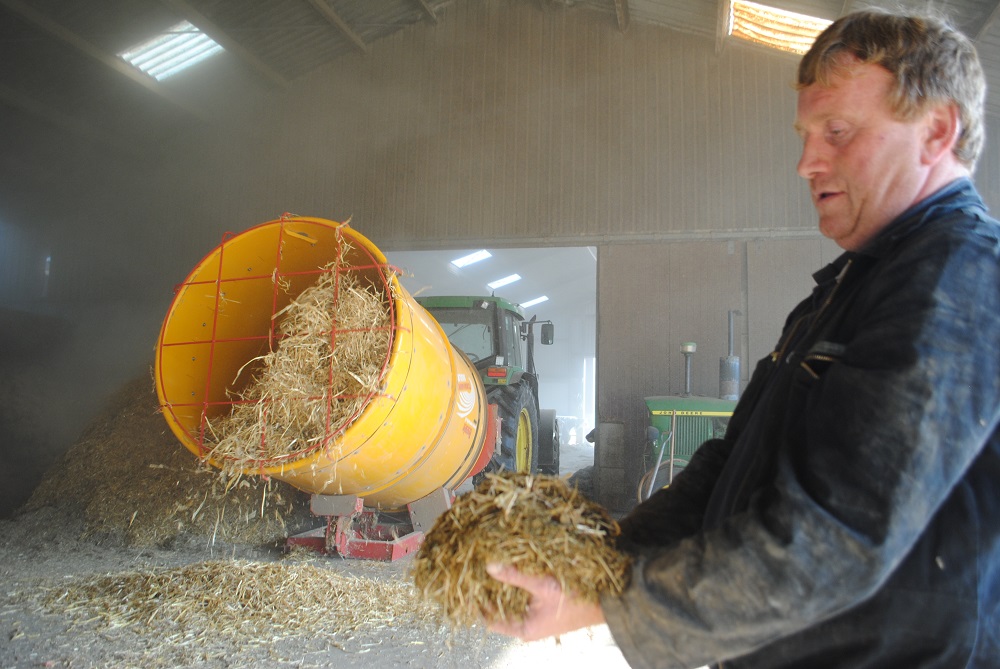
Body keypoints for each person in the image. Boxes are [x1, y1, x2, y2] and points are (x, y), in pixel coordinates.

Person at [486, 10, 1000, 668]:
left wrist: (610, 604)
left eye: (837, 132)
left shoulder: (955, 280)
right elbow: (724, 471)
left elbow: (836, 537)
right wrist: (586, 562)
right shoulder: (850, 284)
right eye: (806, 135)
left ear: (937, 131)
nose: (807, 162)